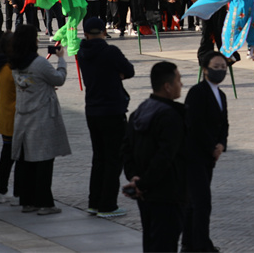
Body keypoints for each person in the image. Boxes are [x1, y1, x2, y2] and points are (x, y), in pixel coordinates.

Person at [123, 61, 186, 253]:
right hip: (166, 193)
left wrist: (134, 178)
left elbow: (126, 148)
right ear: (167, 86)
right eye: (179, 80)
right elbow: (165, 157)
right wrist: (143, 183)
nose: (181, 84)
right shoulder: (171, 116)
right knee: (165, 243)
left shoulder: (140, 111)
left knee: (151, 242)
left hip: (145, 194)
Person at [77, 16, 135, 217]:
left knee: (99, 158)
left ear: (85, 33)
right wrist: (115, 74)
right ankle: (108, 205)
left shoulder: (81, 53)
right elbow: (129, 70)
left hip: (92, 109)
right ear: (103, 32)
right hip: (112, 110)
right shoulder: (111, 52)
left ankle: (94, 202)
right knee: (114, 159)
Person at [10, 24, 71, 215]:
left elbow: (29, 83)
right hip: (41, 116)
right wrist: (61, 60)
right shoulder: (39, 63)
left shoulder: (15, 62)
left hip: (23, 115)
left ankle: (27, 201)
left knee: (26, 161)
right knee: (44, 161)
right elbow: (58, 79)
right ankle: (45, 202)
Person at [182, 51, 230, 252]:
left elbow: (224, 123)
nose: (219, 71)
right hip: (194, 155)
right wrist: (212, 146)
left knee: (195, 203)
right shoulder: (197, 92)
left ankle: (189, 244)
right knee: (201, 203)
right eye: (215, 67)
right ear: (205, 69)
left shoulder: (221, 94)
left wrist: (221, 144)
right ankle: (201, 245)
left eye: (223, 68)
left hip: (209, 156)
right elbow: (194, 124)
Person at [0, 31, 18, 205]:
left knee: (6, 157)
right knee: (20, 159)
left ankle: (2, 191)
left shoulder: (0, 66)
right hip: (15, 117)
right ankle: (17, 193)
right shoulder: (11, 69)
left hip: (5, 116)